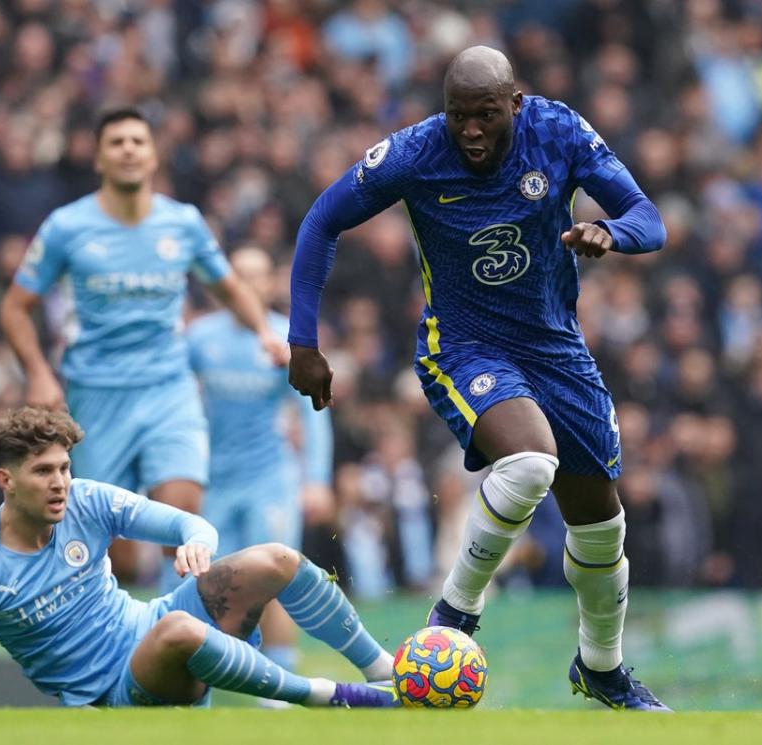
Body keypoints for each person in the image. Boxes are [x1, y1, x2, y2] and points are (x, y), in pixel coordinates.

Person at [286, 46, 669, 711]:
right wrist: (303, 341)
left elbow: (650, 219)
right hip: (462, 346)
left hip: (555, 347)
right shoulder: (413, 153)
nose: (470, 130)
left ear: (514, 104)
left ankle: (601, 667)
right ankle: (452, 616)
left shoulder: (559, 131)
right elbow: (323, 218)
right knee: (528, 462)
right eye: (458, 115)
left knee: (602, 525)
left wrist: (611, 232)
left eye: (485, 115)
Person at [0, 406, 398, 710]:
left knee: (276, 558)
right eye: (42, 471)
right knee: (178, 629)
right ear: (5, 481)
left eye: (64, 467)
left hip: (155, 624)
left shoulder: (86, 499)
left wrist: (196, 542)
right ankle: (332, 698)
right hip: (116, 692)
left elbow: (188, 522)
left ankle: (384, 672)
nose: (59, 482)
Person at [0, 107, 286, 588]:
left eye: (138, 141)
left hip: (167, 387)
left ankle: (186, 641)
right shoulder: (67, 228)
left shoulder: (183, 223)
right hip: (97, 393)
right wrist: (39, 373)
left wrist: (263, 332)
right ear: (99, 159)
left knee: (182, 507)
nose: (129, 149)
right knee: (122, 552)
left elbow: (230, 286)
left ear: (153, 156)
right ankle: (131, 640)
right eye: (116, 142)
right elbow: (13, 307)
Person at [186, 246, 335, 687]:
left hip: (271, 479)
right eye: (240, 276)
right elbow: (172, 401)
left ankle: (282, 681)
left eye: (258, 276)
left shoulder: (287, 339)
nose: (249, 285)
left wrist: (318, 480)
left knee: (273, 578)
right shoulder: (199, 338)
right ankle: (203, 676)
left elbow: (313, 413)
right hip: (214, 481)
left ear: (271, 283)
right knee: (208, 581)